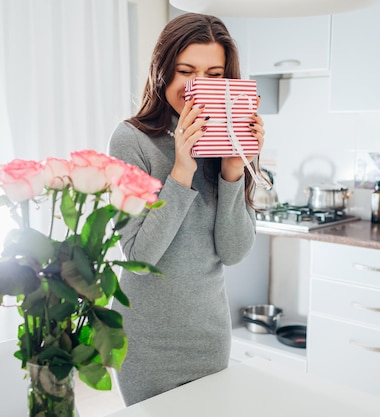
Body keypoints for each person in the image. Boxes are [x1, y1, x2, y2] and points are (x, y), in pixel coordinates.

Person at [108, 12, 265, 406]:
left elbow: (234, 252)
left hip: (208, 337)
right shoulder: (131, 140)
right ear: (163, 72)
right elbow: (139, 255)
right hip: (147, 341)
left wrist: (232, 171)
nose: (200, 86)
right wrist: (181, 171)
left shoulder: (228, 141)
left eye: (214, 74)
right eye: (186, 71)